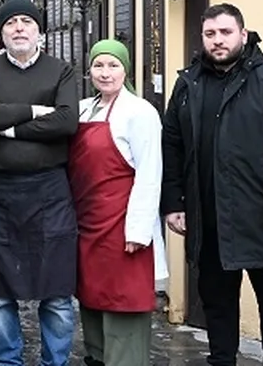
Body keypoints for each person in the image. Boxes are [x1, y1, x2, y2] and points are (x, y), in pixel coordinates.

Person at [161, 3, 263, 366]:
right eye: (210, 34)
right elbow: (172, 144)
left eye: (225, 32)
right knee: (217, 308)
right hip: (208, 221)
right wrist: (174, 201)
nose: (217, 41)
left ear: (243, 35)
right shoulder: (188, 84)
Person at [0, 0, 79, 366]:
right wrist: (33, 112)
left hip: (50, 191)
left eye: (26, 22)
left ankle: (55, 363)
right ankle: (7, 362)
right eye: (11, 23)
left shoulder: (62, 71)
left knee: (58, 294)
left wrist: (7, 127)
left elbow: (66, 122)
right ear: (1, 33)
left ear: (40, 32)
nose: (19, 28)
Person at [68, 40, 167, 366]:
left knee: (123, 305)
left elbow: (150, 174)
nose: (105, 73)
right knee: (92, 303)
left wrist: (138, 231)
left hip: (124, 228)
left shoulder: (140, 112)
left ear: (125, 70)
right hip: (87, 225)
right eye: (99, 66)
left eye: (113, 66)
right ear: (89, 70)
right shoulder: (81, 108)